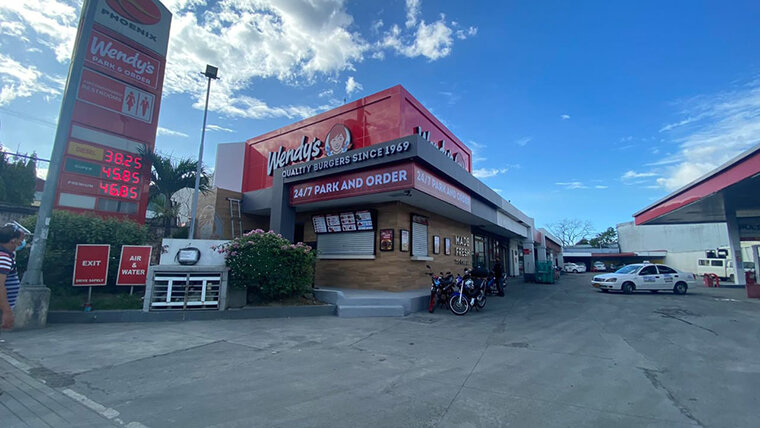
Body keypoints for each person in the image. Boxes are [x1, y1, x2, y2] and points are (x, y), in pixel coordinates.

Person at [1, 223, 27, 330]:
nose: (21, 243)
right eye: (20, 240)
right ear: (13, 240)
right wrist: (7, 311)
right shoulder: (3, 258)